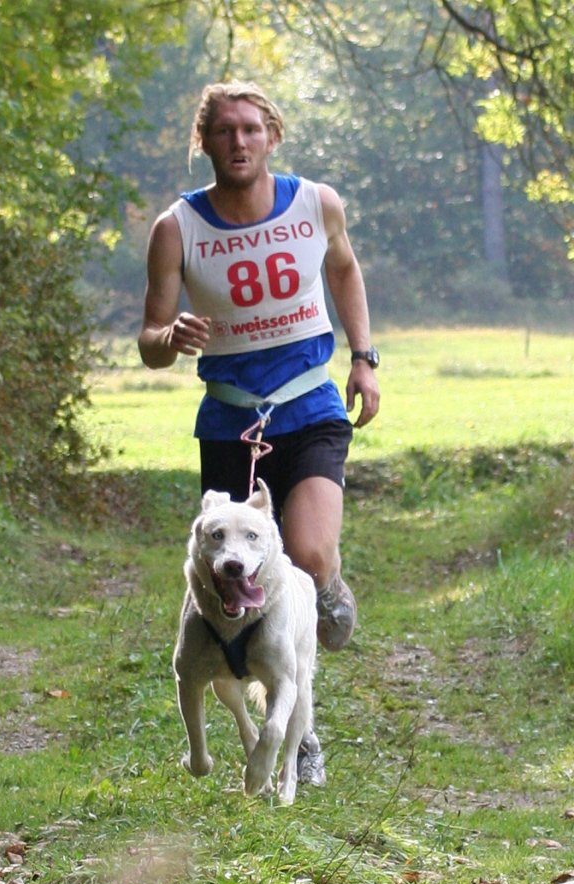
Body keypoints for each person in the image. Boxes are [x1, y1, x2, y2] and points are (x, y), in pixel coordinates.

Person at [138, 81, 380, 655]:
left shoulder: (316, 203)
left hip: (310, 405)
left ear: (272, 137)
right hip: (230, 421)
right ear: (204, 141)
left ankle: (325, 583)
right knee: (238, 582)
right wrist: (171, 337)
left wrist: (363, 358)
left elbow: (344, 269)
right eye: (224, 131)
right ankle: (279, 689)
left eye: (250, 130)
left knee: (307, 554)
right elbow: (149, 343)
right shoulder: (176, 228)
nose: (238, 142)